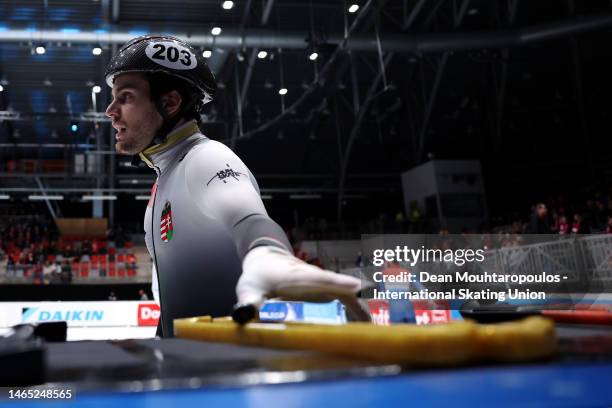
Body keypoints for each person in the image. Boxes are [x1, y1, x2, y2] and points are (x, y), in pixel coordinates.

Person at [104, 35, 361, 337]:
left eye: (126, 97)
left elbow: (249, 220)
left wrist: (268, 250)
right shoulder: (163, 184)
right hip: (193, 371)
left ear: (170, 102)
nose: (110, 110)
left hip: (231, 373)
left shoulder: (206, 157)